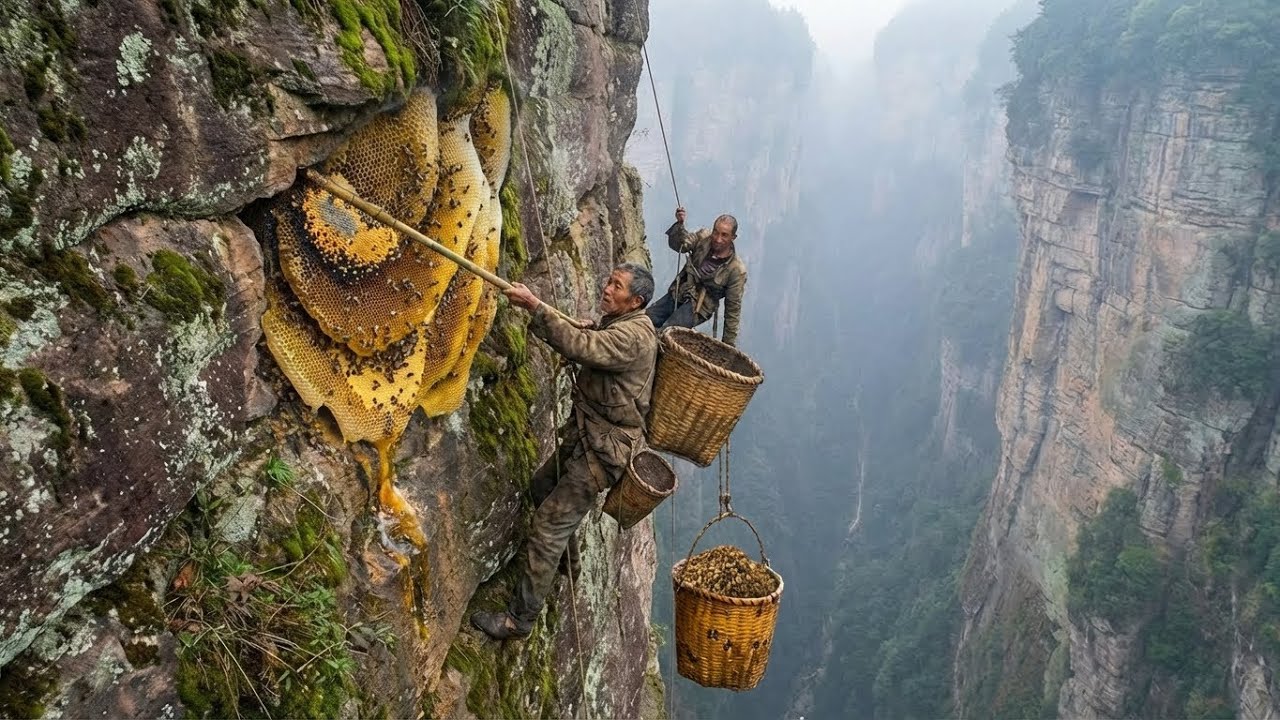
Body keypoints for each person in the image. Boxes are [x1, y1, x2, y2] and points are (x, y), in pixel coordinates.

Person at [471, 262, 658, 640]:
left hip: (600, 454)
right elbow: (598, 342)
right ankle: (565, 563)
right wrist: (592, 327)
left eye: (617, 286)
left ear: (635, 301)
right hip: (588, 438)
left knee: (547, 528)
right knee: (541, 488)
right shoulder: (624, 324)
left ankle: (519, 621)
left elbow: (586, 348)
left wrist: (535, 306)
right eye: (609, 281)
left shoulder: (633, 336)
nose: (607, 288)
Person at [646, 207, 748, 346]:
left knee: (666, 334)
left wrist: (728, 346)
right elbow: (681, 245)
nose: (718, 239)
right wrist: (680, 225)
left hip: (699, 307)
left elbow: (733, 311)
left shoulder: (736, 270)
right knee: (646, 320)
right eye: (716, 232)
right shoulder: (703, 238)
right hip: (680, 291)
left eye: (724, 235)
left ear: (733, 238)